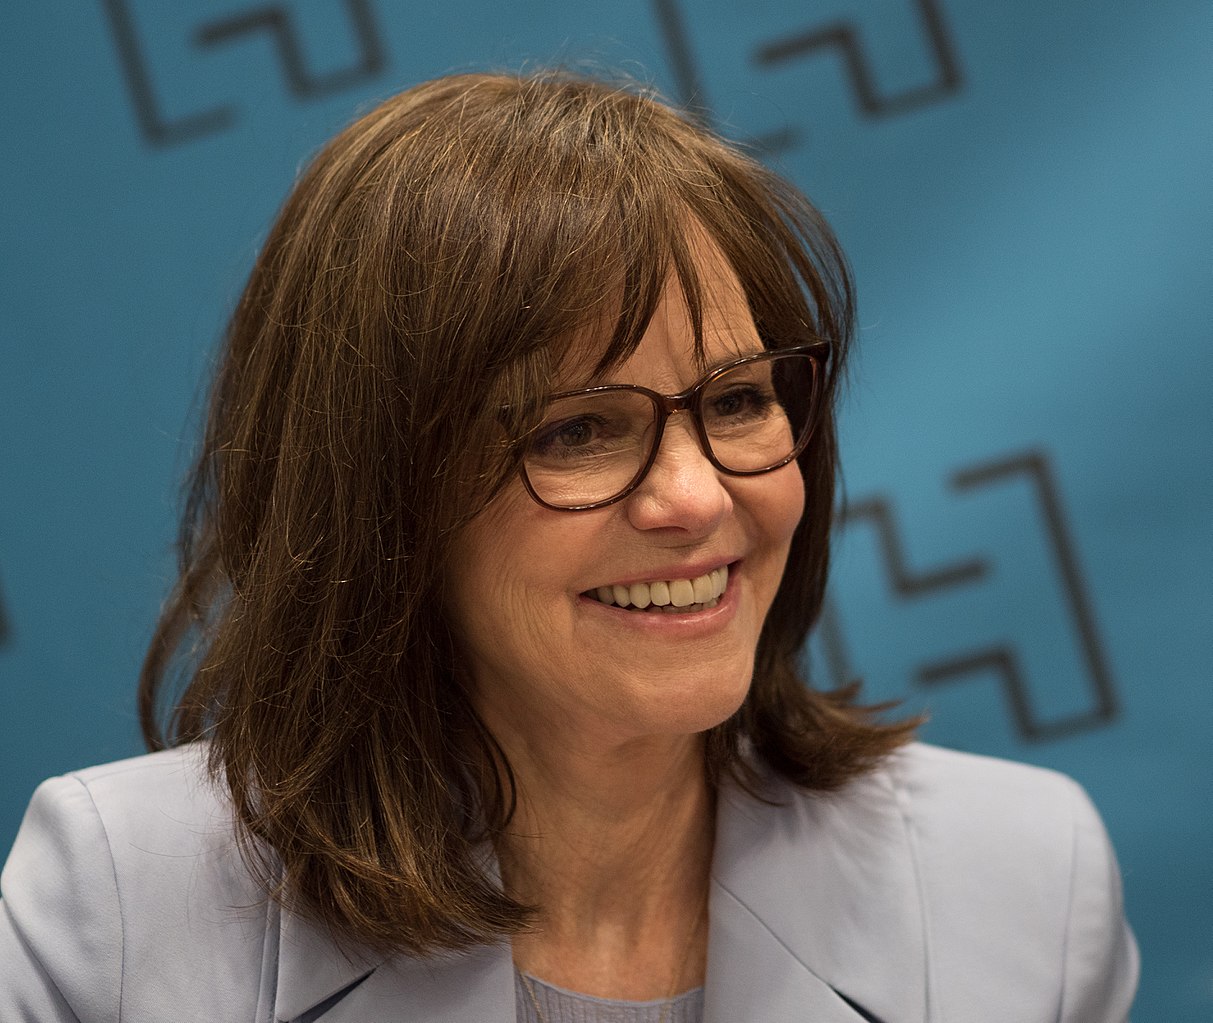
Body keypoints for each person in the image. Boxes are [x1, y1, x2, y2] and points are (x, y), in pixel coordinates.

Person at [0, 71, 1136, 1022]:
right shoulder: (115, 912)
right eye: (578, 429)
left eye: (738, 401)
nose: (694, 499)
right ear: (380, 496)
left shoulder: (1027, 885)